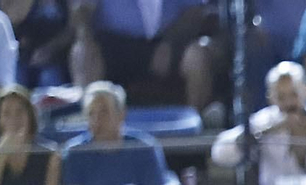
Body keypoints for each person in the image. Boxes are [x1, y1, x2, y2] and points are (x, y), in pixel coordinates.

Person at [69, 0, 223, 119]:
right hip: (115, 45)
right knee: (82, 52)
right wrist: (84, 37)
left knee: (199, 55)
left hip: (168, 43)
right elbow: (82, 9)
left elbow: (195, 10)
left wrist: (169, 41)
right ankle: (88, 123)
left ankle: (192, 123)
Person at [59, 80, 172, 185]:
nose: (96, 120)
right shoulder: (75, 153)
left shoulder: (145, 149)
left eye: (104, 112)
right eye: (91, 114)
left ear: (121, 114)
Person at [0, 86, 60, 185]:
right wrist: (1, 154)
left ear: (30, 115)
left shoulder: (49, 155)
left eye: (19, 112)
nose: (13, 119)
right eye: (6, 113)